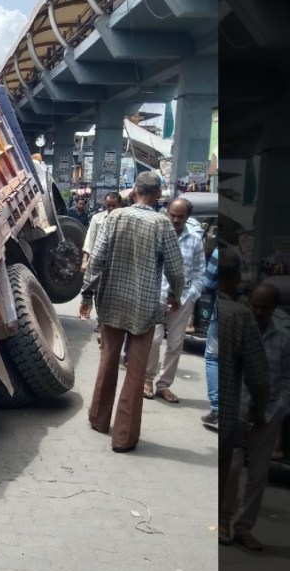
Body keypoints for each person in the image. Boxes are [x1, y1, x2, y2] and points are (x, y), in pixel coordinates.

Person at [79, 171, 184, 453]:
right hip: (145, 307)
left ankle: (99, 419)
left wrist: (86, 296)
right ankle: (123, 438)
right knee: (136, 372)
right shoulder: (163, 225)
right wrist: (175, 295)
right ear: (158, 194)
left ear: (134, 191)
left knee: (108, 360)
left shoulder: (114, 218)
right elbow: (175, 269)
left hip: (111, 301)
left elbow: (97, 259)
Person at [220, 283, 290, 551]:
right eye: (255, 306)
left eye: (265, 308)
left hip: (267, 417)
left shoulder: (283, 339)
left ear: (274, 309)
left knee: (258, 476)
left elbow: (286, 383)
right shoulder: (240, 329)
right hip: (237, 414)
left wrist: (272, 413)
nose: (259, 312)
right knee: (232, 469)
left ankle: (244, 528)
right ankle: (223, 520)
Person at [215, 252, 269, 546]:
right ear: (235, 278)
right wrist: (258, 412)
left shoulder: (215, 311)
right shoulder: (240, 315)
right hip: (226, 421)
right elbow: (259, 377)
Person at [143, 197, 206, 402]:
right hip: (156, 297)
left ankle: (164, 385)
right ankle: (147, 379)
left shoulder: (195, 240)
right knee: (153, 340)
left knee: (175, 345)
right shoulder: (156, 236)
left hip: (183, 299)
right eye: (172, 215)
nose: (175, 220)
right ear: (166, 213)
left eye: (180, 217)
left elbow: (199, 272)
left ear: (187, 217)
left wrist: (191, 296)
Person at [202, 247, 220, 427]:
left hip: (221, 314)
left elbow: (207, 283)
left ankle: (217, 409)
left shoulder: (218, 253)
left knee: (213, 358)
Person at [81, 192, 121, 274]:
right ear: (105, 203)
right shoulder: (97, 218)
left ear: (119, 205)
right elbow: (89, 241)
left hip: (116, 263)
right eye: (108, 205)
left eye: (114, 206)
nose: (111, 208)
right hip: (98, 261)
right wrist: (84, 261)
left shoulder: (124, 220)